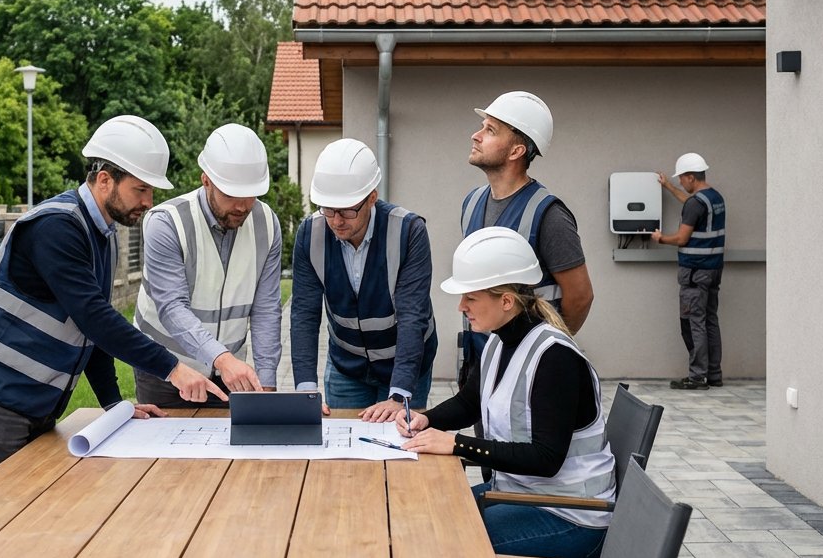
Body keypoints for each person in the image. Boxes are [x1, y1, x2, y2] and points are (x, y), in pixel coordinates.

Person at [0, 115, 227, 484]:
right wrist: (173, 368)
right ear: (105, 179)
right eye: (140, 189)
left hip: (28, 397)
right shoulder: (56, 228)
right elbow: (94, 318)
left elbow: (91, 333)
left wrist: (114, 405)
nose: (148, 201)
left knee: (27, 512)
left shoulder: (102, 236)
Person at [396, 227, 615, 558]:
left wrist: (457, 445)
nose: (461, 306)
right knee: (432, 518)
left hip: (574, 517)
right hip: (530, 496)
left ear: (507, 301)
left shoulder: (555, 360)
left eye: (471, 297)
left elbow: (546, 459)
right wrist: (428, 420)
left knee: (453, 539)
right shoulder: (499, 341)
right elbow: (469, 403)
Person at [113, 123, 283, 407]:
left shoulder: (267, 223)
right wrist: (222, 358)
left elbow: (266, 308)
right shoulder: (166, 223)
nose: (242, 205)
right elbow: (171, 307)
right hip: (167, 369)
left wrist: (266, 384)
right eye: (231, 194)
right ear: (206, 181)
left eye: (250, 194)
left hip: (229, 373)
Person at [290, 138, 438, 420]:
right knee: (344, 454)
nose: (336, 220)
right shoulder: (310, 235)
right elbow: (303, 314)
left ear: (372, 196)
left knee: (399, 449)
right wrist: (305, 391)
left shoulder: (408, 232)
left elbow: (412, 316)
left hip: (406, 366)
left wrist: (399, 394)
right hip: (347, 367)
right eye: (328, 208)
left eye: (347, 210)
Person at [461, 91, 593, 378]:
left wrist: (545, 351)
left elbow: (580, 296)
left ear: (516, 151)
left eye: (490, 130)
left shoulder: (548, 214)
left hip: (529, 370)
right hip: (482, 359)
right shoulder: (471, 203)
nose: (476, 135)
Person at [651, 152, 726, 390]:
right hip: (713, 270)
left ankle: (697, 377)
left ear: (691, 177)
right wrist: (669, 187)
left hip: (695, 272)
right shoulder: (714, 198)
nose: (681, 182)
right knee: (709, 321)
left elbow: (683, 238)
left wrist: (661, 239)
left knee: (692, 323)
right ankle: (713, 374)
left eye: (682, 179)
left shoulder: (696, 203)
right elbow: (690, 202)